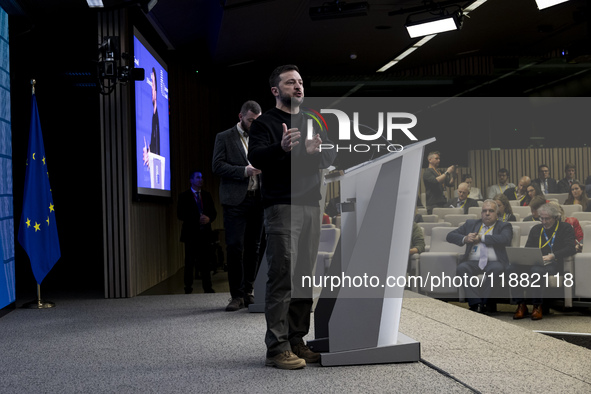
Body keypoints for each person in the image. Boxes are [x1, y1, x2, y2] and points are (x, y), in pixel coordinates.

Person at [248, 65, 336, 370]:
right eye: (290, 83)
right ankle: (277, 347)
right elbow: (256, 157)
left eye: (300, 82)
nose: (297, 87)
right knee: (282, 275)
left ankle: (297, 339)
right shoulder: (264, 124)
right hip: (282, 206)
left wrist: (312, 154)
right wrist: (282, 148)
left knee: (302, 278)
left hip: (312, 204)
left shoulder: (313, 120)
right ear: (276, 90)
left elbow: (328, 156)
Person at [212, 100, 264, 312]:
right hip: (235, 201)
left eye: (257, 120)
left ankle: (248, 292)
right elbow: (217, 165)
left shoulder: (262, 136)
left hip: (258, 199)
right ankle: (236, 295)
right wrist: (244, 171)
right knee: (235, 247)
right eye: (251, 120)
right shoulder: (224, 137)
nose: (254, 124)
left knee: (254, 248)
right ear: (240, 116)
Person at [508, 203, 576, 320]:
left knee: (537, 270)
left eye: (547, 218)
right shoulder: (536, 229)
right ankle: (521, 305)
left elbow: (570, 248)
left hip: (554, 262)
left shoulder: (565, 228)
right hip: (535, 261)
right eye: (541, 218)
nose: (544, 221)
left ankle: (537, 306)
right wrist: (525, 257)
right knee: (512, 268)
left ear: (555, 217)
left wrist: (552, 256)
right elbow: (528, 248)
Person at [447, 200, 513, 314]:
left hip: (494, 261)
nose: (487, 213)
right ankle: (476, 303)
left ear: (497, 214)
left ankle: (484, 303)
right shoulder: (471, 224)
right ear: (481, 213)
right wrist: (465, 238)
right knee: (462, 268)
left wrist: (481, 238)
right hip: (473, 261)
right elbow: (450, 236)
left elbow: (504, 239)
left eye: (491, 211)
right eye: (484, 211)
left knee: (496, 269)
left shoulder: (504, 226)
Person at [177, 170, 217, 294]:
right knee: (189, 261)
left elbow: (214, 212)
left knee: (206, 261)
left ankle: (208, 287)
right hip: (191, 234)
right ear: (191, 180)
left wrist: (209, 219)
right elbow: (180, 214)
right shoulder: (184, 196)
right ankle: (188, 287)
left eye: (202, 177)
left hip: (205, 233)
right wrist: (197, 219)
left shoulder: (207, 195)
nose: (201, 179)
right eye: (198, 177)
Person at [143, 67, 160, 168]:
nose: (152, 89)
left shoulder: (157, 118)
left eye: (154, 85)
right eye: (151, 85)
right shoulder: (152, 116)